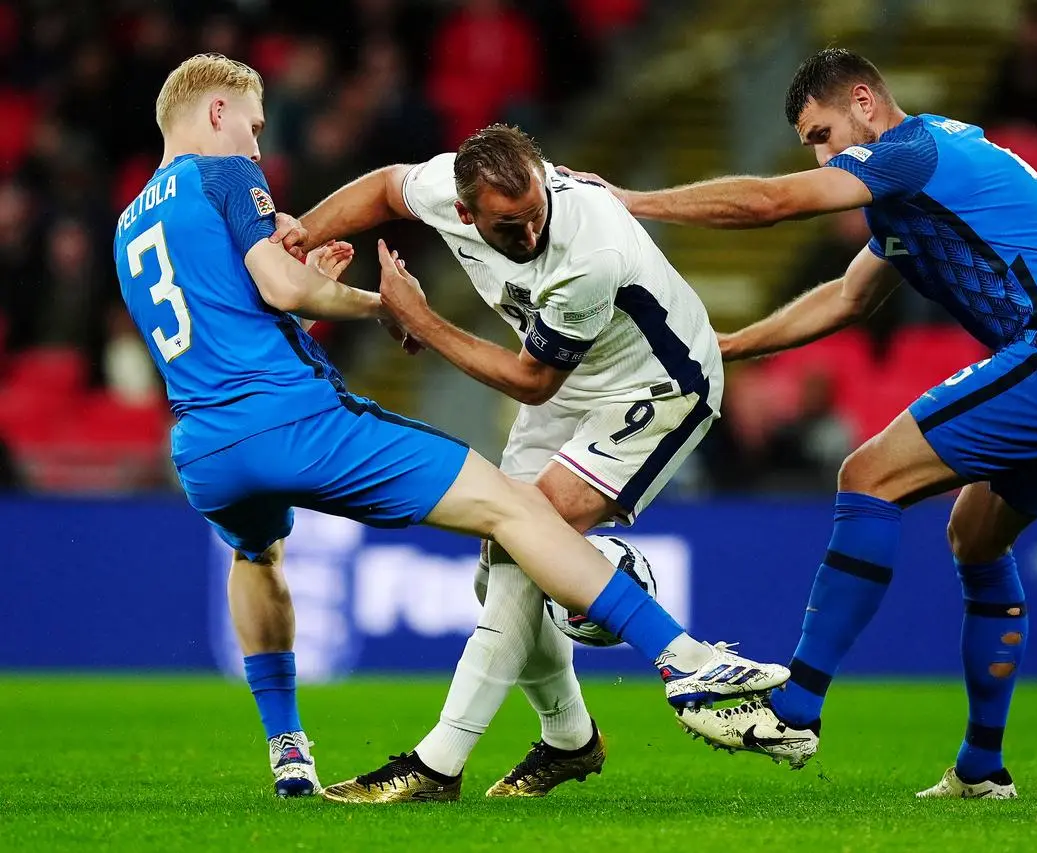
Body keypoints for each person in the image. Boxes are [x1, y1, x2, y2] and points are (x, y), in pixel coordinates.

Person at [111, 54, 786, 800]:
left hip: (204, 449)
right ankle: (683, 656)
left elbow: (233, 321)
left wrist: (307, 276)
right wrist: (386, 305)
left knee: (258, 555)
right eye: (254, 125)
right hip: (292, 422)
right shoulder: (226, 174)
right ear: (215, 112)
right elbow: (279, 284)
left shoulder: (126, 226)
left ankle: (290, 748)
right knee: (516, 508)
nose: (258, 145)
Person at [563, 48, 1037, 799]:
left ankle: (798, 705)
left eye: (822, 132)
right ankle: (981, 768)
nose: (820, 152)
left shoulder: (907, 153)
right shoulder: (915, 185)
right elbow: (844, 299)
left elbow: (772, 203)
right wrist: (725, 348)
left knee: (865, 474)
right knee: (974, 536)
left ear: (865, 102)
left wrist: (630, 201)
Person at [270, 123, 727, 802]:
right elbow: (383, 186)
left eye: (537, 209)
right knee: (500, 569)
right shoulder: (445, 185)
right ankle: (570, 739)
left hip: (655, 387)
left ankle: (436, 763)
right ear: (464, 213)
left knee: (520, 543)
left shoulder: (586, 250)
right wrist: (295, 242)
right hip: (574, 382)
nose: (531, 231)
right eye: (509, 224)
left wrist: (420, 319)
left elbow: (529, 380)